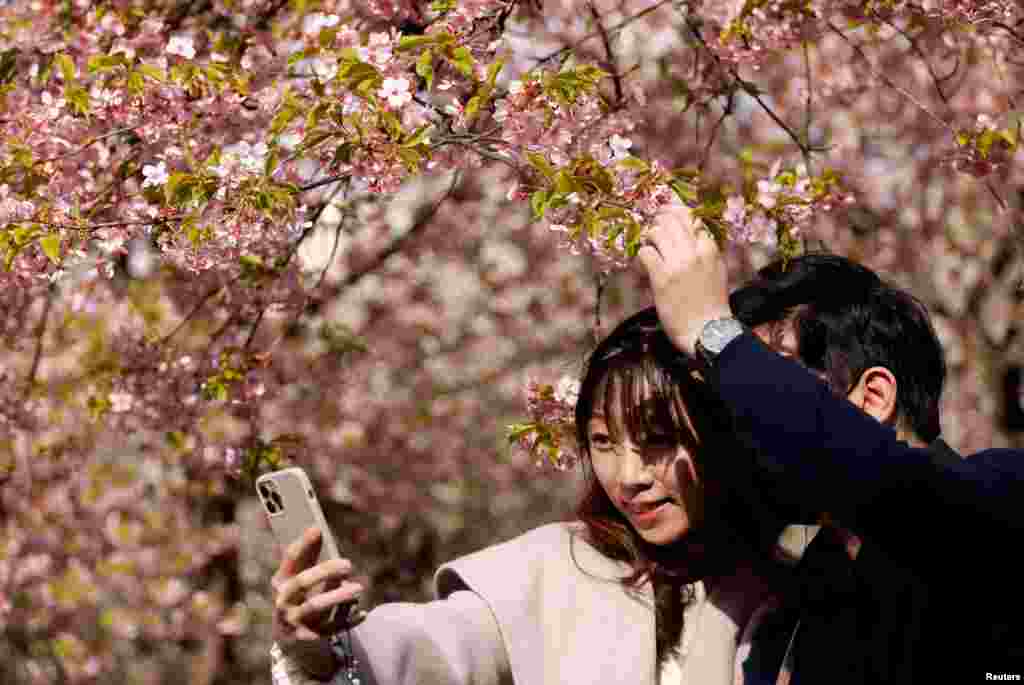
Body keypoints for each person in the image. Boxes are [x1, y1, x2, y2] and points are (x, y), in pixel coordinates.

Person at [267, 308, 778, 685]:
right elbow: (432, 643)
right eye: (602, 442)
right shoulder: (559, 566)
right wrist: (317, 648)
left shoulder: (793, 580)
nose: (628, 476)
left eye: (657, 441)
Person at [638, 206, 1024, 683]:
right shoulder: (800, 604)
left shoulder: (1001, 497)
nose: (745, 422)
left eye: (774, 371)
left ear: (873, 397)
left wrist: (714, 334)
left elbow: (899, 490)